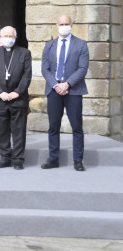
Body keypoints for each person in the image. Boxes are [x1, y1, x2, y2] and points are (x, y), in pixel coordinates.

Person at [41, 15, 89, 172]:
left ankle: (78, 160)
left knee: (77, 127)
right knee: (53, 126)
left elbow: (82, 68)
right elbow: (45, 69)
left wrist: (67, 83)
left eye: (66, 24)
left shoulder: (81, 44)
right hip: (54, 90)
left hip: (73, 90)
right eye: (61, 24)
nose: (64, 26)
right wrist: (56, 85)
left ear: (71, 25)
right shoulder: (49, 45)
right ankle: (53, 158)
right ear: (56, 25)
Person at [0, 26, 32, 170]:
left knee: (18, 129)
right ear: (0, 37)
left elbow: (27, 75)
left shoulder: (24, 53)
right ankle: (4, 157)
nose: (8, 38)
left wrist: (17, 92)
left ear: (15, 38)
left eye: (11, 36)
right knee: (1, 130)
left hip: (18, 98)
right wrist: (0, 92)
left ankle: (18, 158)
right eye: (5, 35)